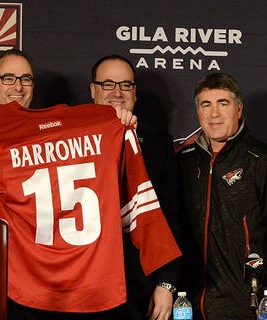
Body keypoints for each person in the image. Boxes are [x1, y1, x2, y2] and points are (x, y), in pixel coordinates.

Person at [0, 49, 181, 320]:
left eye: (25, 79)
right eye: (8, 78)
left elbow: (158, 213)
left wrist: (166, 279)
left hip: (88, 287)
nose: (18, 87)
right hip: (14, 285)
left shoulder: (104, 127)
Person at [175, 72, 267, 320]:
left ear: (239, 109)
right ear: (198, 111)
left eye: (223, 103)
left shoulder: (264, 162)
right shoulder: (183, 161)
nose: (214, 114)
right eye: (206, 105)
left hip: (246, 304)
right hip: (187, 304)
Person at [90, 55, 183, 320]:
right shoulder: (68, 136)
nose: (117, 93)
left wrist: (166, 284)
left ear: (135, 92)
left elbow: (170, 217)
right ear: (92, 90)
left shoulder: (157, 143)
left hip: (137, 285)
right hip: (80, 287)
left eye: (125, 85)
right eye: (107, 84)